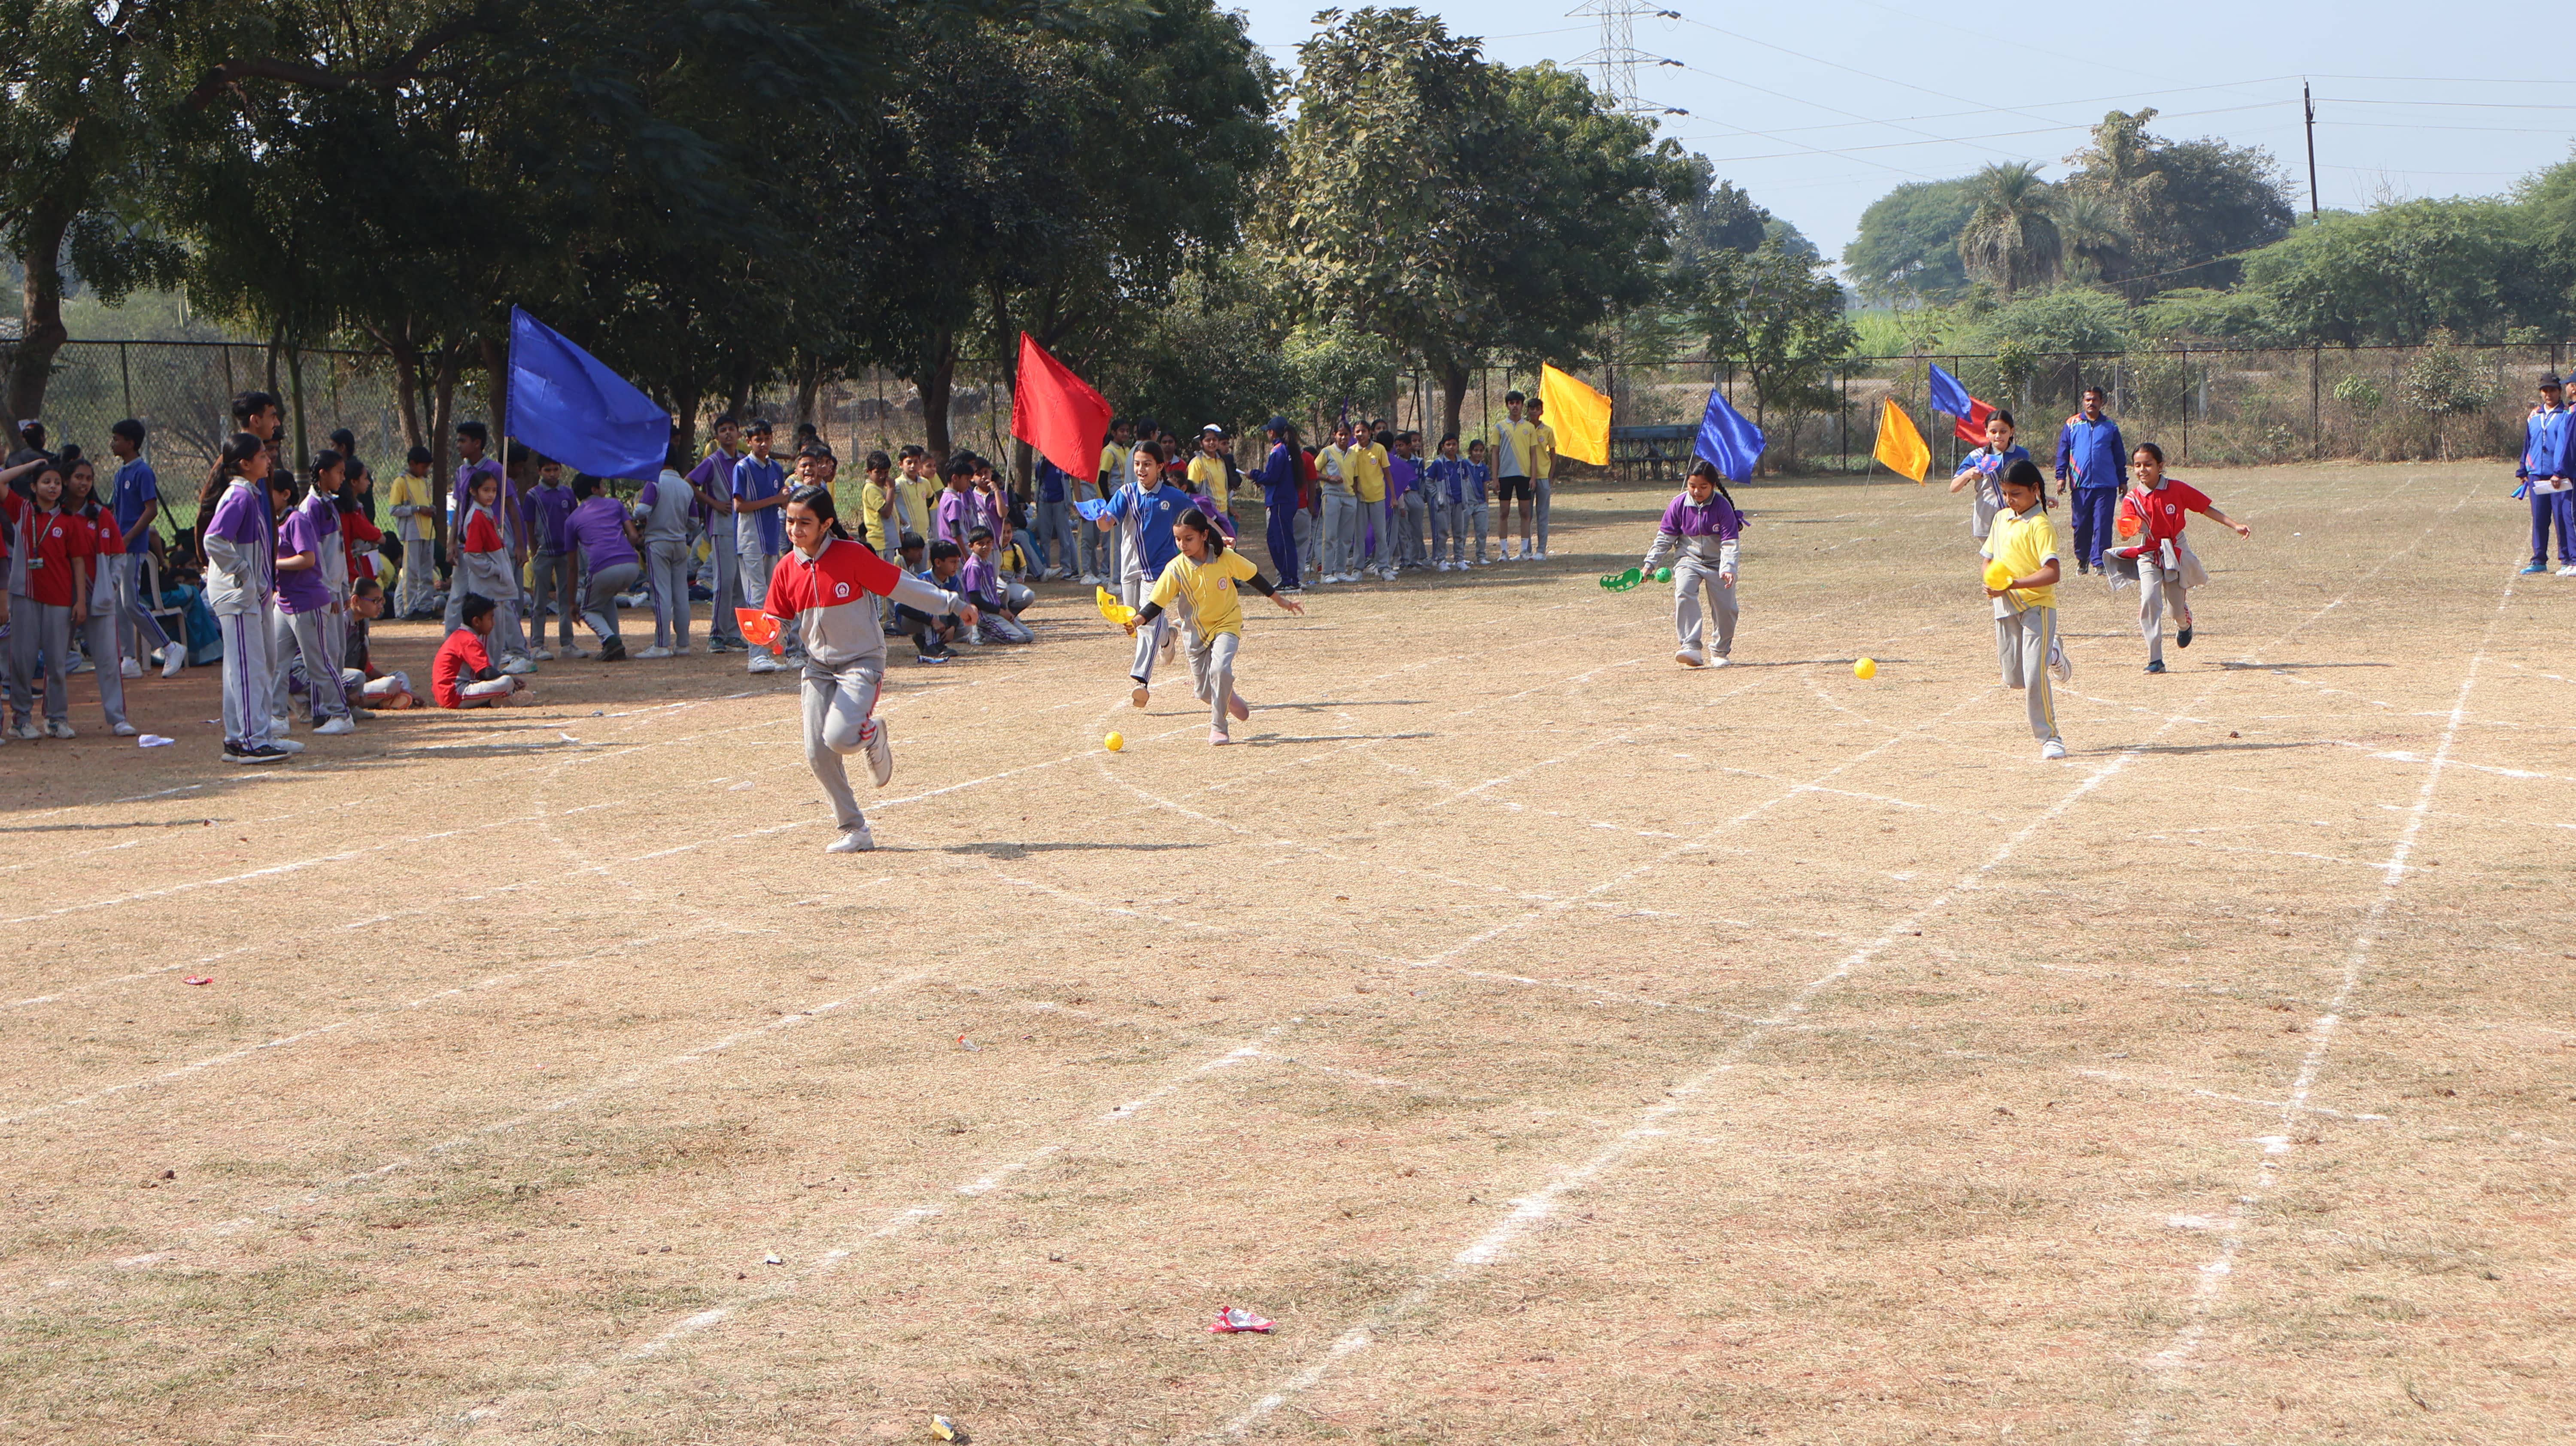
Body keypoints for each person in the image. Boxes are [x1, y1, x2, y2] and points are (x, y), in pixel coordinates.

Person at [766, 485, 975, 851]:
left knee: (839, 737)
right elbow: (778, 618)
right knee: (817, 753)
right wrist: (771, 634)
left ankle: (871, 732)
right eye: (790, 521)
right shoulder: (786, 567)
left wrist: (953, 604)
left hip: (861, 660)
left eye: (804, 523)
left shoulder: (852, 555)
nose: (795, 530)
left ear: (826, 524)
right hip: (818, 667)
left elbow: (903, 586)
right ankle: (855, 829)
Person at [1123, 506, 1302, 744]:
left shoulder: (1224, 558)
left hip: (1227, 623)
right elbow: (1156, 603)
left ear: (1204, 535)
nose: (1182, 545)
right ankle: (1228, 696)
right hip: (1195, 632)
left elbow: (1253, 577)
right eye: (1178, 539)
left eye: (1189, 539)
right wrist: (1137, 621)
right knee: (1204, 692)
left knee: (1220, 670)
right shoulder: (1176, 568)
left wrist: (1281, 601)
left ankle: (1219, 728)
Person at [2106, 442, 2252, 674]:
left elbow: (2205, 508)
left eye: (2148, 464)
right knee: (2149, 600)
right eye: (2137, 465)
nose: (2142, 470)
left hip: (2174, 550)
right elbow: (2126, 532)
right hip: (2148, 553)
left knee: (2175, 611)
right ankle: (2156, 660)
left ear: (2160, 466)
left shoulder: (2177, 489)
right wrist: (2128, 531)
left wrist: (2235, 525)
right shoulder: (2132, 499)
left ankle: (2185, 623)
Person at [197, 433, 292, 761]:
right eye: (262, 456)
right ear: (245, 463)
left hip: (250, 595)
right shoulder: (238, 495)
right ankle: (252, 741)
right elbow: (214, 539)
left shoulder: (250, 494)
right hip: (237, 596)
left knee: (252, 664)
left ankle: (241, 737)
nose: (268, 460)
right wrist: (243, 573)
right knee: (248, 668)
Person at [1982, 459, 2070, 760]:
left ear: (2035, 490)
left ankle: (2050, 738)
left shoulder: (2040, 525)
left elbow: (2053, 572)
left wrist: (2013, 584)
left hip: (2037, 607)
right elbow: (1988, 559)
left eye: (2016, 494)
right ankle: (2053, 653)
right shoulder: (2001, 519)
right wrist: (1990, 580)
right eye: (2006, 494)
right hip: (2005, 607)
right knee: (2015, 679)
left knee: (2034, 677)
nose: (2010, 500)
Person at [1097, 439, 1196, 707]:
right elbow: (1107, 525)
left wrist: (1221, 536)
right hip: (1130, 569)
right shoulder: (1126, 493)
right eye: (1138, 464)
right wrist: (1098, 516)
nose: (1141, 470)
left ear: (1160, 467)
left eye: (1147, 464)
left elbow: (1199, 519)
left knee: (1146, 624)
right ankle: (1168, 638)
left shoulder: (1173, 497)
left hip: (1159, 571)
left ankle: (1141, 682)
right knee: (1136, 620)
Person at [1, 455, 88, 738]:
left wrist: (80, 601)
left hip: (59, 598)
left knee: (57, 663)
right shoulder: (21, 510)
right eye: (46, 482)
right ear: (33, 486)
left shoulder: (69, 520)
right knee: (22, 660)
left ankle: (56, 718)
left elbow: (78, 561)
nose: (53, 487)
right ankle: (21, 720)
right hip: (24, 595)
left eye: (57, 483)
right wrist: (30, 467)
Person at [273, 458, 354, 736]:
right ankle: (277, 717)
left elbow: (308, 559)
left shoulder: (297, 519)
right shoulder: (276, 522)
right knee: (276, 663)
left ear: (285, 494)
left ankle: (340, 714)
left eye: (269, 493)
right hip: (284, 602)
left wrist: (272, 564)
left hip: (307, 602)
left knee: (318, 663)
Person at [1642, 459, 1746, 669]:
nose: (1697, 491)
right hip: (1688, 560)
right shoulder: (1678, 504)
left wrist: (1728, 568)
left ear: (1713, 486)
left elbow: (1729, 543)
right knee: (1684, 592)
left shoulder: (1722, 507)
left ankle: (1720, 652)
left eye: (1703, 487)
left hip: (1718, 563)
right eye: (1692, 486)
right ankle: (1690, 646)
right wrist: (1649, 564)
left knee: (1726, 609)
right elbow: (1664, 538)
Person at [63, 455, 138, 734]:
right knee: (56, 660)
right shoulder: (56, 515)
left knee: (108, 660)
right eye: (78, 477)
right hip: (62, 597)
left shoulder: (101, 515)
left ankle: (118, 718)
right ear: (66, 480)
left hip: (99, 598)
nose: (84, 483)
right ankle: (55, 718)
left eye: (88, 478)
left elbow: (119, 554)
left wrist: (112, 584)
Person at [104, 418, 181, 677]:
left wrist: (128, 538)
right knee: (119, 605)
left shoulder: (143, 472)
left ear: (131, 443)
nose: (112, 444)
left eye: (116, 439)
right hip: (118, 546)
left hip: (133, 546)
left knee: (131, 603)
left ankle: (169, 647)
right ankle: (129, 659)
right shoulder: (120, 474)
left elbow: (151, 510)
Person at [730, 420, 793, 673]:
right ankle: (755, 655)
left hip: (770, 537)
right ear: (749, 442)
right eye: (759, 439)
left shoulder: (776, 468)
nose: (764, 444)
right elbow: (739, 505)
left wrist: (785, 498)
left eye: (768, 438)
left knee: (770, 597)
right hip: (750, 538)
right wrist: (775, 499)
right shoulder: (743, 468)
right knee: (756, 595)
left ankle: (769, 651)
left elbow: (780, 502)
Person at [686, 414, 749, 653]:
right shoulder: (712, 462)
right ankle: (716, 635)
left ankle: (733, 633)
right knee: (724, 580)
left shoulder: (744, 461)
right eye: (723, 430)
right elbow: (689, 482)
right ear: (717, 436)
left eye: (732, 429)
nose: (728, 433)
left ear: (739, 433)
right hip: (722, 527)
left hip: (744, 526)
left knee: (740, 582)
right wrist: (712, 503)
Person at [457, 470, 532, 672]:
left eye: (494, 491)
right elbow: (472, 555)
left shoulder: (486, 514)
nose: (491, 495)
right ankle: (485, 670)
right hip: (487, 587)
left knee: (496, 633)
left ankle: (492, 669)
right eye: (486, 490)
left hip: (494, 585)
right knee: (489, 634)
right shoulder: (477, 517)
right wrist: (495, 570)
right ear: (474, 491)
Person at [567, 475, 644, 660]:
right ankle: (616, 644)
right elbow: (634, 536)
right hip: (632, 565)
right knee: (607, 597)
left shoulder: (572, 520)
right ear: (594, 489)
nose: (605, 488)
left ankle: (611, 641)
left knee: (588, 610)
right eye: (602, 485)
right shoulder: (615, 504)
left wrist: (571, 603)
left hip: (602, 567)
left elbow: (572, 567)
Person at [2054, 386, 2127, 575]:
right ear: (2083, 402)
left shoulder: (2111, 426)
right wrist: (2061, 477)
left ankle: (2100, 562)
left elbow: (2119, 456)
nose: (2091, 403)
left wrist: (2123, 480)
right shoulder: (2072, 424)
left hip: (2106, 485)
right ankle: (2082, 559)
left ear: (2102, 402)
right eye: (2088, 400)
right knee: (2081, 524)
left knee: (2102, 524)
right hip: (2080, 484)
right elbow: (2063, 452)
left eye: (2095, 400)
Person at [521, 457, 580, 659]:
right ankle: (537, 644)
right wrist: (534, 550)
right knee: (539, 600)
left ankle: (567, 643)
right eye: (548, 470)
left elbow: (574, 519)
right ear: (540, 471)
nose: (552, 474)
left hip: (565, 552)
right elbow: (529, 524)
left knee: (566, 598)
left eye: (556, 469)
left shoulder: (568, 494)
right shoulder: (533, 495)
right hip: (544, 553)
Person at [2517, 373, 2575, 576]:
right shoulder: (2534, 415)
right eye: (2545, 391)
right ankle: (2539, 559)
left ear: (2560, 392)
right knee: (2539, 519)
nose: (2548, 394)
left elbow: (2567, 445)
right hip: (2536, 473)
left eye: (2552, 390)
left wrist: (2561, 470)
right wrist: (2523, 469)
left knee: (2561, 517)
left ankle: (2566, 559)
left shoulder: (2567, 414)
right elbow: (2528, 442)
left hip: (2558, 475)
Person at [434, 593, 533, 708]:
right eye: (490, 618)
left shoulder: (462, 635)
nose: (493, 623)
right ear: (477, 622)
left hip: (448, 692)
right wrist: (511, 680)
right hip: (454, 694)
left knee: (503, 681)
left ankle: (492, 702)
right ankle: (500, 697)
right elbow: (487, 673)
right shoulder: (469, 640)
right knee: (506, 682)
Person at [1948, 409, 2028, 542]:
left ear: (2012, 432)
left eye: (2003, 431)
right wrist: (1968, 474)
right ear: (1986, 432)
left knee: (2014, 554)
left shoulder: (2022, 454)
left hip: (2016, 516)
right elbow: (1954, 488)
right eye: (1993, 432)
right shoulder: (1977, 456)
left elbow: (2030, 482)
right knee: (1990, 556)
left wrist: (2043, 497)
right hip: (1987, 517)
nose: (1998, 436)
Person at [343, 578, 416, 708]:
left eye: (381, 601)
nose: (380, 606)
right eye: (375, 601)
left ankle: (390, 699)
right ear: (356, 600)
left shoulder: (362, 623)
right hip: (344, 683)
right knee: (389, 684)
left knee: (399, 677)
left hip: (359, 682)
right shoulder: (342, 623)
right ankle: (385, 699)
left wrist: (400, 687)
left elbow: (368, 670)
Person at [387, 444, 439, 617]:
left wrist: (430, 509)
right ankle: (409, 608)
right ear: (412, 464)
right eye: (423, 467)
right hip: (412, 533)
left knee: (427, 572)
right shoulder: (401, 482)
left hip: (428, 533)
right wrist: (417, 510)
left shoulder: (423, 481)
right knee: (411, 572)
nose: (425, 471)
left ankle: (425, 606)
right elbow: (394, 509)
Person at [1255, 417, 1303, 591]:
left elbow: (1272, 477)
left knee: (1283, 540)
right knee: (1274, 539)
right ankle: (1285, 577)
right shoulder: (1287, 449)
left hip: (1281, 501)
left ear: (1272, 432)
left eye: (1268, 431)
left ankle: (1291, 580)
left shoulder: (1279, 450)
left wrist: (1255, 475)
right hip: (1283, 501)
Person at [961, 527, 1034, 642]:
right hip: (983, 614)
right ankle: (981, 632)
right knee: (1018, 638)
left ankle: (991, 630)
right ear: (971, 546)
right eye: (980, 544)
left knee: (1029, 636)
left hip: (995, 611)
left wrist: (1005, 610)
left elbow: (993, 594)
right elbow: (975, 599)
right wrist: (1000, 612)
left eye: (989, 543)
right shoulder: (974, 567)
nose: (985, 547)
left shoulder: (988, 565)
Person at [1492, 390, 1538, 560]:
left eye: (1518, 403)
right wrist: (1495, 478)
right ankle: (1504, 552)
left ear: (1522, 405)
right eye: (1511, 403)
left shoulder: (1529, 428)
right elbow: (1495, 453)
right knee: (1504, 512)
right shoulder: (1499, 427)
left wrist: (1533, 477)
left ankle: (1525, 551)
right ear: (1507, 406)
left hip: (1524, 475)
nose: (1515, 406)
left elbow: (1534, 454)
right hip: (1505, 475)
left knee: (1525, 512)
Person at [1313, 422, 1356, 584]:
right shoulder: (1327, 452)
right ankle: (1326, 573)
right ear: (1335, 435)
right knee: (1330, 535)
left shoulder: (1353, 454)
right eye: (1340, 434)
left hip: (1349, 497)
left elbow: (1356, 477)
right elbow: (1313, 471)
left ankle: (1341, 571)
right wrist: (1329, 478)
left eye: (1346, 434)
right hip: (1331, 496)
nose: (1343, 438)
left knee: (1346, 537)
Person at [1351, 428, 1391, 580]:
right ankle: (1358, 569)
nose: (1361, 434)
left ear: (1370, 433)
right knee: (1360, 535)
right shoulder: (1352, 451)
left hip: (1378, 496)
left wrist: (1393, 496)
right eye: (1358, 431)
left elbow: (1387, 473)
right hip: (1360, 498)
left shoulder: (1379, 449)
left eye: (1364, 431)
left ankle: (1384, 567)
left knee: (1380, 534)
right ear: (1354, 434)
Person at [1524, 395, 1558, 561]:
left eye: (1537, 409)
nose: (1534, 412)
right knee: (1526, 515)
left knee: (1542, 515)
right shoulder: (1524, 429)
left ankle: (1541, 551)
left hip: (1543, 476)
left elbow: (1553, 454)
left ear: (1541, 411)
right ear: (1528, 411)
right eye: (1531, 409)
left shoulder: (1548, 431)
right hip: (1526, 476)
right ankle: (1526, 550)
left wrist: (1551, 475)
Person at [1390, 431, 1428, 571]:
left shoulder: (1418, 462)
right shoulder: (1394, 461)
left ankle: (1414, 559)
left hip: (1415, 495)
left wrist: (1421, 497)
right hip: (1401, 497)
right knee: (1403, 530)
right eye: (1396, 446)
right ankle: (1404, 560)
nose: (1398, 448)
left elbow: (1422, 481)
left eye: (1401, 445)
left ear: (1408, 445)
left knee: (1417, 530)